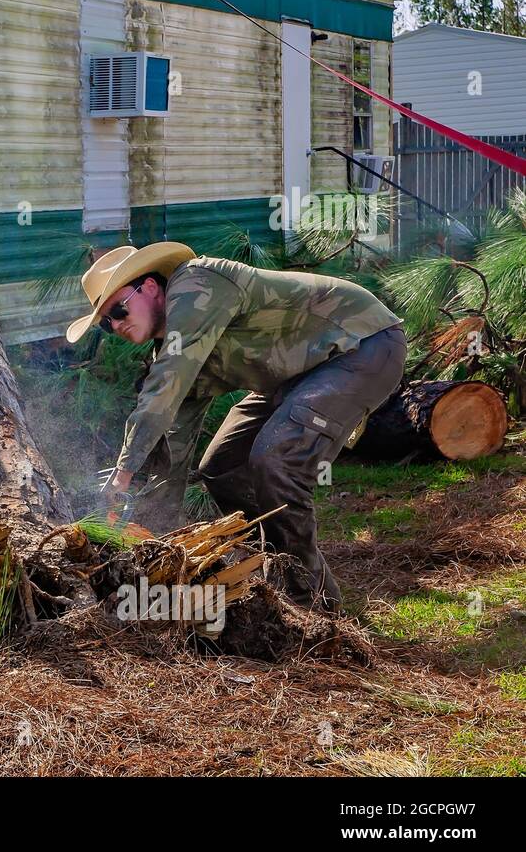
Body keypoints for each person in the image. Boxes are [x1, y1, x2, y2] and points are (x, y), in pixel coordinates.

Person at [67, 242, 406, 610]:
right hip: (299, 375)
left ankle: (311, 604)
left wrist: (123, 474)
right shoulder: (176, 345)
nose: (116, 325)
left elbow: (164, 387)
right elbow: (173, 446)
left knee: (277, 459)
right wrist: (149, 536)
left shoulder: (196, 284)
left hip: (361, 345)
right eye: (106, 323)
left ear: (149, 287)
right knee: (223, 467)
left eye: (118, 309)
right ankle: (277, 573)